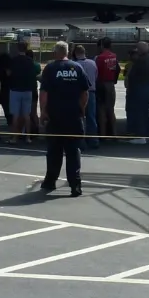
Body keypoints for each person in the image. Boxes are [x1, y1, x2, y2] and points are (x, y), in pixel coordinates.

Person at [39, 41, 90, 196]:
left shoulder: (51, 68)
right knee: (73, 151)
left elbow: (44, 93)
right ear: (67, 52)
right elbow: (85, 92)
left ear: (56, 52)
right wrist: (82, 108)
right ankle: (75, 185)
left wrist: (43, 111)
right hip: (73, 115)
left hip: (55, 115)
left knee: (54, 150)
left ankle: (50, 181)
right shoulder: (77, 68)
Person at [127, 42, 149, 144]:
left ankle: (141, 135)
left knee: (139, 112)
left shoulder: (139, 61)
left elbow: (132, 76)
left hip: (139, 87)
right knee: (146, 112)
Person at [9, 43, 39, 143]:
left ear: (18, 49)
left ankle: (14, 137)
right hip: (27, 90)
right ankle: (28, 137)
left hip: (15, 89)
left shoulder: (13, 60)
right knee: (27, 115)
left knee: (16, 115)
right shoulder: (30, 61)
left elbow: (9, 73)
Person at [72, 44, 98, 148]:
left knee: (79, 117)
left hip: (79, 93)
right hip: (91, 92)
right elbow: (96, 76)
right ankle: (93, 140)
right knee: (91, 117)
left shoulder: (75, 65)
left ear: (75, 53)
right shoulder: (93, 63)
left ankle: (81, 141)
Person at [94, 38, 119, 142]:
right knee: (111, 109)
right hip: (111, 84)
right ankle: (114, 134)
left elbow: (96, 72)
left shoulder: (100, 58)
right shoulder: (114, 56)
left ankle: (103, 135)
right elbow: (117, 69)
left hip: (101, 84)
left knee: (101, 110)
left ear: (102, 46)